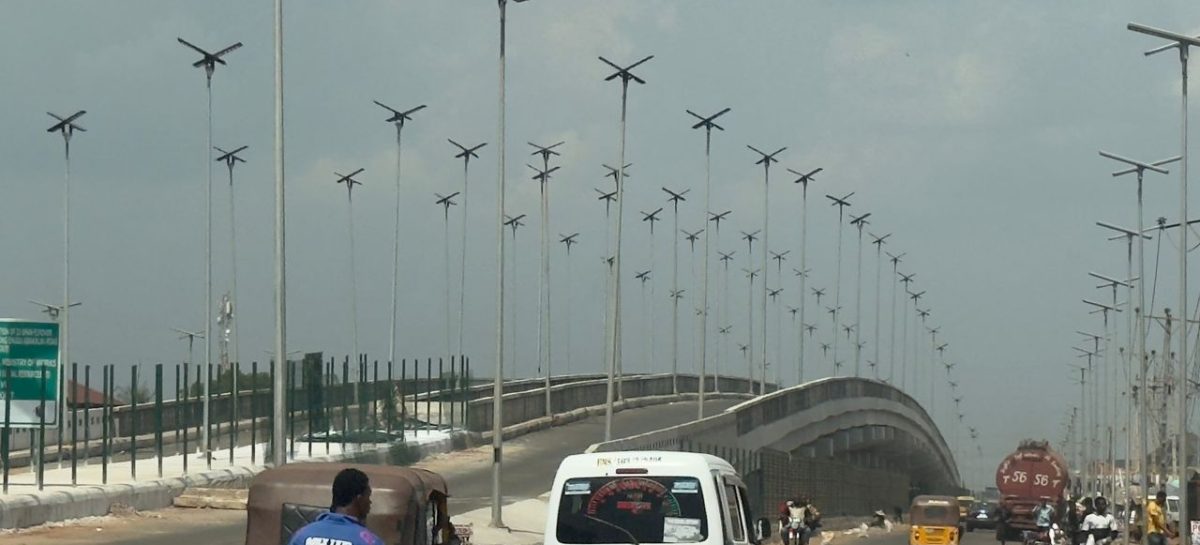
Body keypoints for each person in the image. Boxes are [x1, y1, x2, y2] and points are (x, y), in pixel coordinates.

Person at [288, 467, 382, 545]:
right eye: (368, 496)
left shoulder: (302, 536)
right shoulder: (370, 542)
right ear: (359, 499)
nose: (370, 502)